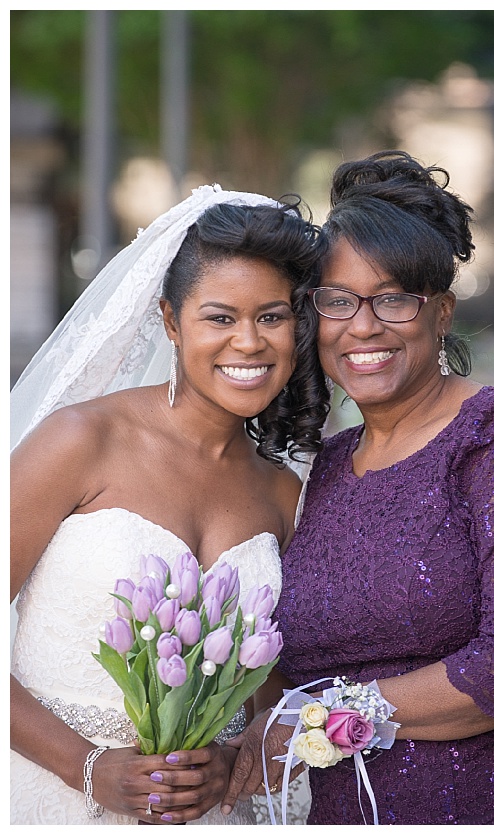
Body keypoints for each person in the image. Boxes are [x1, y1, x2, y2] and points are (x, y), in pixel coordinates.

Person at [223, 151, 494, 824]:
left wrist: (318, 722)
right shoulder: (320, 470)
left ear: (440, 313)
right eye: (338, 300)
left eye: (393, 298)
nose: (363, 325)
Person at [9, 186, 328, 824]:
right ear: (170, 320)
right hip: (50, 796)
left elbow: (269, 688)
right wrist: (89, 768)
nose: (249, 342)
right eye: (219, 317)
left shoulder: (283, 494)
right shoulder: (83, 441)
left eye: (271, 316)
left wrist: (232, 762)